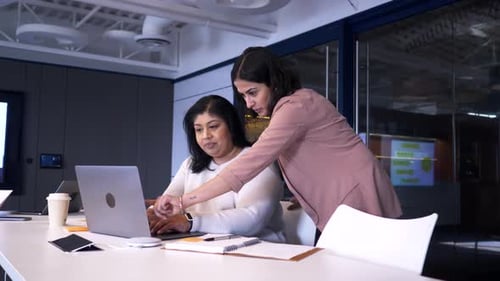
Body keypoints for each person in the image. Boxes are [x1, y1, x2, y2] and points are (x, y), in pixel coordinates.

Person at [155, 46, 402, 234]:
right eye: (243, 96)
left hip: (356, 191)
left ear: (274, 83)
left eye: (253, 93)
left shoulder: (295, 106)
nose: (249, 103)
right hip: (350, 188)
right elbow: (320, 154)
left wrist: (184, 201)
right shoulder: (291, 107)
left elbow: (249, 164)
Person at [147, 94, 285, 243]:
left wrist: (190, 221)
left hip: (257, 250)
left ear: (231, 126)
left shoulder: (257, 161)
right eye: (198, 130)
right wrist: (154, 213)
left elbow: (251, 220)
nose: (205, 136)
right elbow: (170, 202)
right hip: (202, 246)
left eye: (213, 127)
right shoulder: (191, 164)